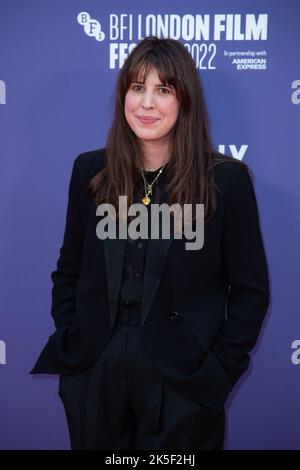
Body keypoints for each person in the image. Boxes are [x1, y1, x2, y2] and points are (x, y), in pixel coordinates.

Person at [30, 36, 270, 450]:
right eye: (137, 87)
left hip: (182, 378)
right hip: (96, 366)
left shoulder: (225, 180)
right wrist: (73, 336)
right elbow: (68, 268)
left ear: (185, 101)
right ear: (123, 94)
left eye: (163, 90)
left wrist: (218, 370)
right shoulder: (91, 170)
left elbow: (250, 290)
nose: (146, 104)